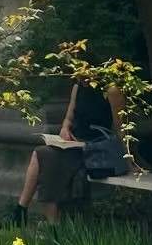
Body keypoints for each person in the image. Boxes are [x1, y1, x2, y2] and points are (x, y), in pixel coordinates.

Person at [11, 79, 131, 226]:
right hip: (73, 145)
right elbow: (68, 118)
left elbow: (121, 128)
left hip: (96, 149)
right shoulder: (77, 87)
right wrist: (65, 129)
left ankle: (23, 212)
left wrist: (129, 160)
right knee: (42, 155)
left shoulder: (111, 90)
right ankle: (32, 215)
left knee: (45, 159)